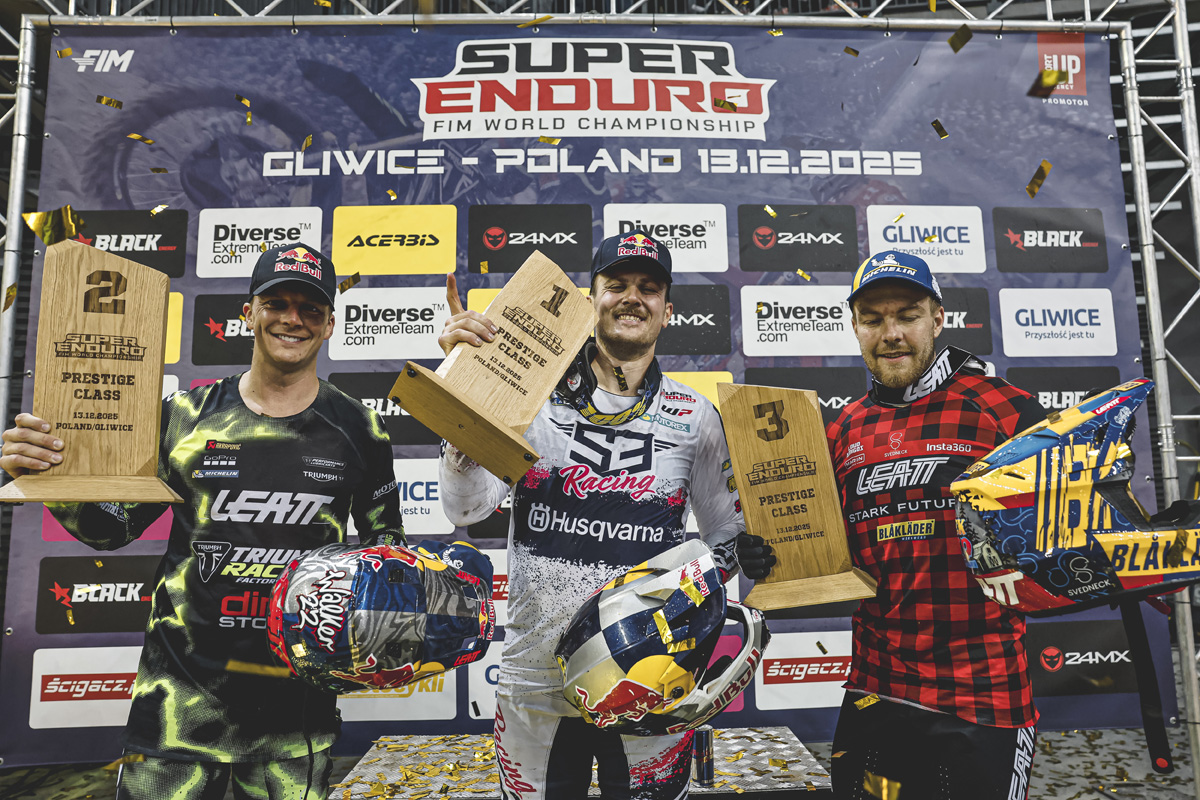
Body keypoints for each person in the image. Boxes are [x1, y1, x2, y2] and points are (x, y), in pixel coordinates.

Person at [1, 243, 404, 800]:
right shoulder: (183, 417)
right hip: (176, 711)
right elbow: (109, 529)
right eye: (276, 303)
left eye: (311, 308)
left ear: (330, 324)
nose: (293, 319)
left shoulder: (361, 430)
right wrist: (49, 478)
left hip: (295, 720)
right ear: (248, 313)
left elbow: (389, 555)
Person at [436, 230, 773, 799]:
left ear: (668, 309)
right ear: (590, 300)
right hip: (535, 679)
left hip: (649, 680)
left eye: (649, 287)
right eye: (616, 284)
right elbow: (465, 505)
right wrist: (465, 397)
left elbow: (724, 540)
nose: (632, 297)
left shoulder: (695, 416)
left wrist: (731, 564)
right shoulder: (530, 393)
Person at [824, 251, 1047, 800]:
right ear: (855, 327)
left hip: (983, 690)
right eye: (873, 320)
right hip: (877, 686)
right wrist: (771, 551)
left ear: (938, 319)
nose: (891, 334)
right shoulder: (844, 429)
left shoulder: (1006, 410)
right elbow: (822, 548)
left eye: (908, 316)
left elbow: (1067, 529)